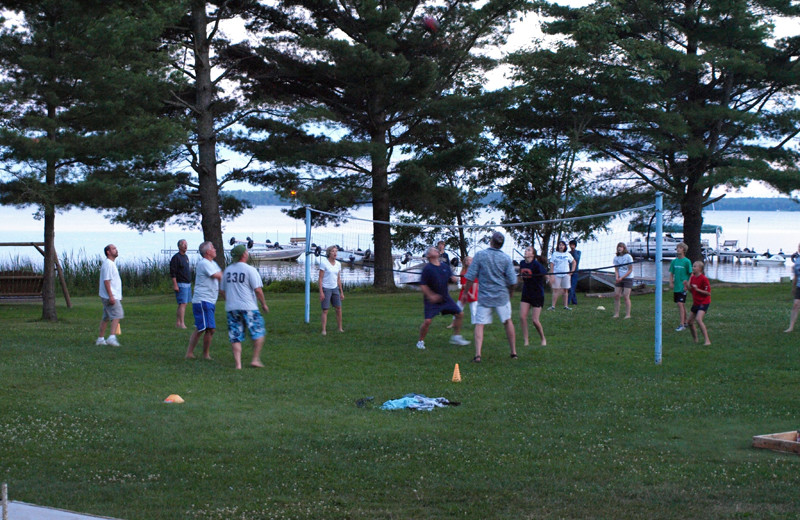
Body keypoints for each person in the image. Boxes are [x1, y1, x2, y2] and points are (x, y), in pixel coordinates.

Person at [462, 232, 517, 362]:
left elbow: (470, 277)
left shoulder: (480, 255)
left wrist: (465, 293)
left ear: (491, 241)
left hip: (485, 297)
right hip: (502, 297)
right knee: (507, 321)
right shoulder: (506, 258)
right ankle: (514, 352)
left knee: (479, 324)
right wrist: (511, 293)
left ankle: (478, 355)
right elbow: (513, 281)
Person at [220, 244, 269, 369]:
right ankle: (255, 359)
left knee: (235, 336)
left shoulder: (227, 271)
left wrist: (229, 300)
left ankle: (238, 364)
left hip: (232, 308)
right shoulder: (250, 270)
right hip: (249, 307)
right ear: (244, 255)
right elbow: (258, 290)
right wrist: (263, 304)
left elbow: (222, 291)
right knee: (258, 332)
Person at [417, 247, 470, 349]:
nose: (436, 250)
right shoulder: (427, 269)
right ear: (428, 255)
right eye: (433, 250)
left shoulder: (445, 266)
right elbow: (423, 285)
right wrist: (431, 295)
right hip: (431, 300)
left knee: (460, 313)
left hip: (445, 298)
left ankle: (456, 337)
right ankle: (420, 341)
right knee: (427, 321)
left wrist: (454, 279)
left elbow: (451, 278)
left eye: (436, 250)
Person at [185, 241, 222, 360]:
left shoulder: (213, 264)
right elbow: (218, 276)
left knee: (202, 328)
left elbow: (219, 276)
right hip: (203, 300)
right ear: (207, 252)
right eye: (213, 247)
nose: (215, 249)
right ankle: (203, 354)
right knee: (208, 328)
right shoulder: (204, 263)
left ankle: (193, 353)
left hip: (209, 300)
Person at [519, 246, 547, 347]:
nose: (526, 251)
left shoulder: (536, 265)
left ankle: (543, 338)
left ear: (532, 254)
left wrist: (551, 281)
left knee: (535, 320)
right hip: (526, 293)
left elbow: (546, 275)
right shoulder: (522, 263)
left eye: (528, 250)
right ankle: (526, 340)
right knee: (522, 317)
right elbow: (522, 276)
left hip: (537, 294)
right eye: (525, 249)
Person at [96, 244, 123, 347]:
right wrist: (111, 296)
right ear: (108, 252)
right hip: (109, 296)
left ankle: (100, 339)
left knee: (106, 317)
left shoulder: (110, 264)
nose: (116, 250)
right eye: (113, 249)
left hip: (112, 295)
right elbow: (106, 281)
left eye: (116, 248)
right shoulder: (108, 264)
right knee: (118, 314)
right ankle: (112, 337)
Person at [319, 245, 345, 335]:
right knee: (325, 310)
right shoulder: (324, 263)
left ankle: (340, 328)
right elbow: (320, 279)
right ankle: (323, 330)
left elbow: (338, 279)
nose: (335, 253)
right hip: (326, 288)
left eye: (336, 251)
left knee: (338, 308)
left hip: (335, 288)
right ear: (329, 253)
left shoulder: (338, 264)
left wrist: (341, 292)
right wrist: (321, 292)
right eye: (333, 251)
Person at [448, 256, 477, 329]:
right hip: (464, 292)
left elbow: (475, 283)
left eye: (470, 260)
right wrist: (469, 294)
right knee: (458, 308)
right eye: (467, 260)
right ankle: (453, 323)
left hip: (473, 293)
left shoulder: (474, 271)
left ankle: (475, 325)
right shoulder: (463, 272)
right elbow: (463, 285)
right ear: (464, 262)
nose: (468, 262)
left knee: (474, 310)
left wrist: (473, 294)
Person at [686, 260, 711, 345]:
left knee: (698, 319)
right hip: (696, 302)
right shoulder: (693, 278)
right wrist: (687, 286)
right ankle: (695, 340)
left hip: (704, 302)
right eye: (693, 266)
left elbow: (708, 293)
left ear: (700, 269)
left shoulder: (704, 279)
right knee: (689, 322)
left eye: (695, 266)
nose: (693, 268)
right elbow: (692, 291)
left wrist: (697, 289)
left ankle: (707, 340)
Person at [669, 242, 692, 331]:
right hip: (676, 287)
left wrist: (687, 285)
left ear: (684, 250)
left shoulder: (687, 261)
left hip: (683, 287)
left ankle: (681, 324)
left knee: (680, 304)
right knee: (681, 305)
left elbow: (691, 274)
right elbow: (671, 273)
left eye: (680, 248)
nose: (678, 249)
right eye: (677, 247)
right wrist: (671, 282)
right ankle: (686, 322)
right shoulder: (674, 261)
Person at [548, 240, 576, 310]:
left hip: (566, 274)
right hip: (557, 274)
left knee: (565, 290)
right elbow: (551, 264)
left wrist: (572, 271)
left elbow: (574, 262)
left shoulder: (567, 254)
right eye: (560, 245)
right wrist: (552, 274)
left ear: (565, 246)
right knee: (555, 290)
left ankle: (566, 306)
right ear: (558, 246)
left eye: (562, 245)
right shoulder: (555, 254)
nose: (561, 246)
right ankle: (553, 306)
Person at [170, 239, 192, 329]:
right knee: (182, 303)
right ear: (179, 246)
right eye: (183, 244)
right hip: (181, 283)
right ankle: (182, 323)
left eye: (186, 244)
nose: (185, 246)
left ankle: (178, 322)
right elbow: (173, 272)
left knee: (183, 304)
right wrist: (175, 284)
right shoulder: (176, 258)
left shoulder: (186, 257)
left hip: (187, 283)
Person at [612, 242, 634, 319]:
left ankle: (628, 314)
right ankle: (616, 314)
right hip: (619, 278)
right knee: (616, 295)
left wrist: (622, 277)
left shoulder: (628, 257)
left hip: (628, 278)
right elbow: (616, 269)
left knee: (625, 296)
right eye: (618, 247)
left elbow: (630, 270)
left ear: (624, 248)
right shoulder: (616, 258)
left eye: (621, 247)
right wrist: (617, 277)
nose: (619, 248)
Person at [785, 242, 800, 332]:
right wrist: (793, 287)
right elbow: (796, 275)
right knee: (795, 305)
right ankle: (791, 327)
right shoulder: (797, 261)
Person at [568, 239, 581, 305]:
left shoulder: (578, 252)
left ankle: (567, 301)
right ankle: (574, 302)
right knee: (570, 287)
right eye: (571, 245)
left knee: (572, 287)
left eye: (573, 245)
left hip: (575, 272)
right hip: (568, 272)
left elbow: (577, 259)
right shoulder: (568, 253)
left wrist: (574, 251)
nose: (571, 246)